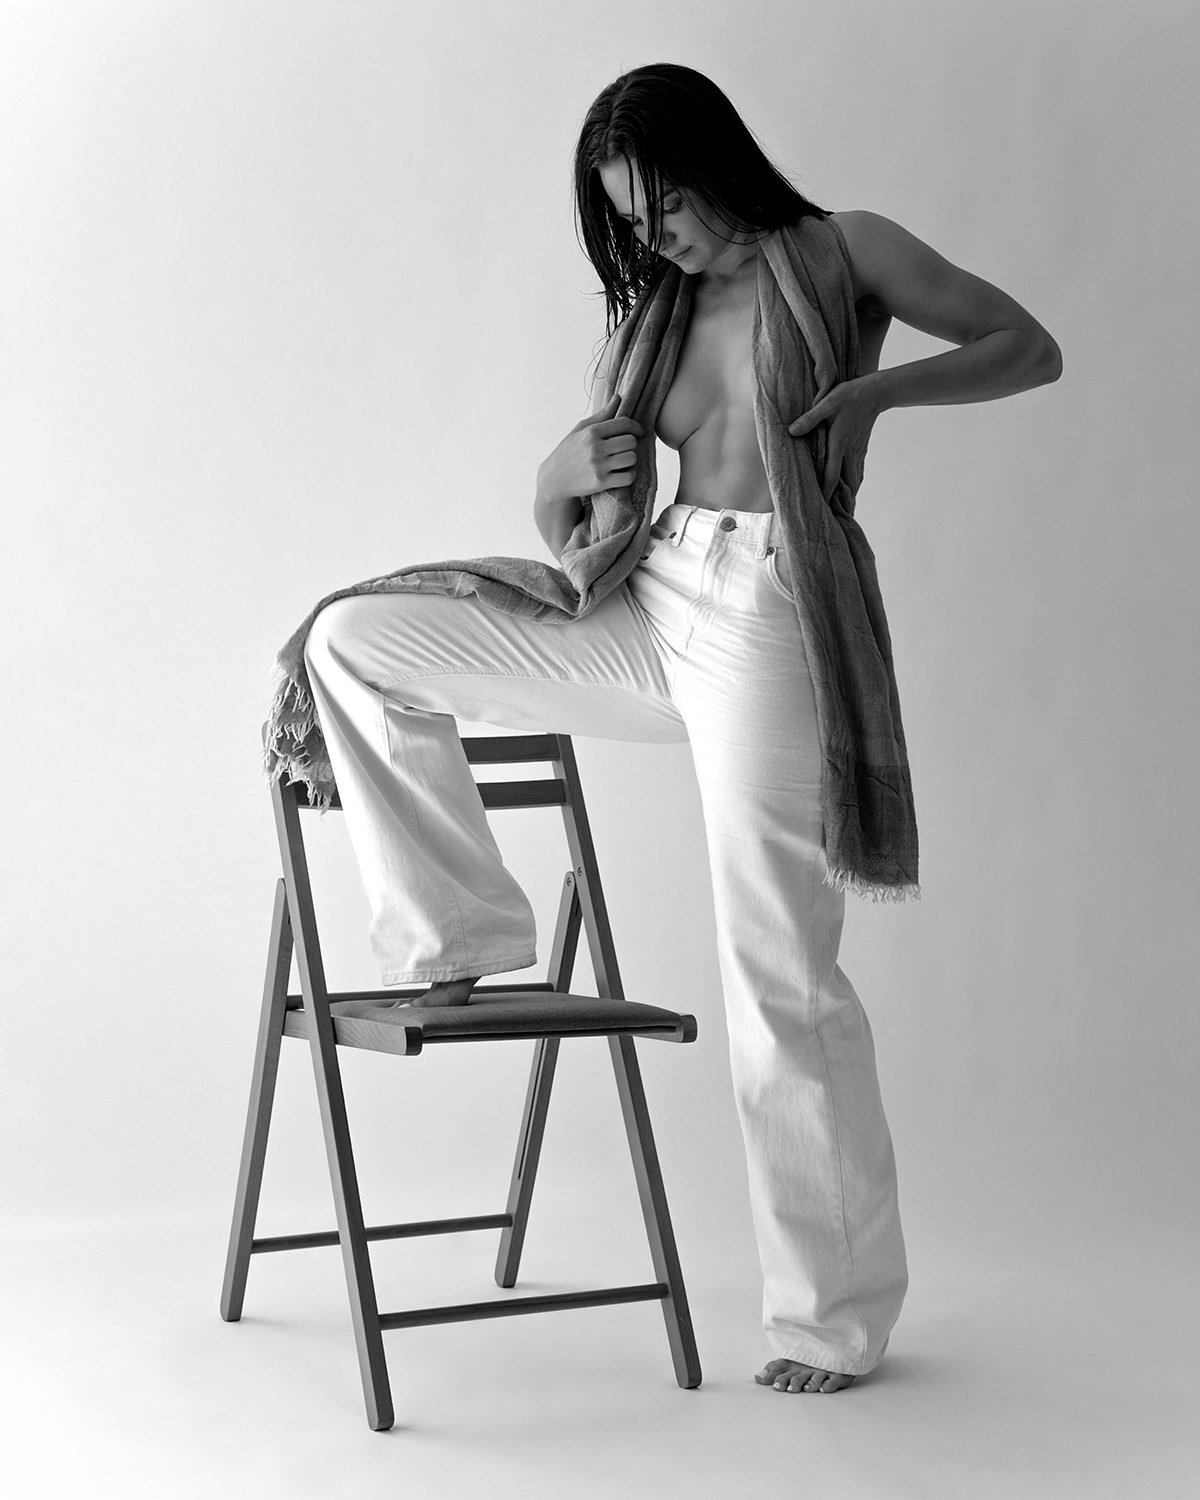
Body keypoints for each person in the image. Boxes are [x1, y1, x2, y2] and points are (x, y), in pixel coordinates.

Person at [300, 62, 1062, 1398]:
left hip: (770, 604)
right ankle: (459, 938)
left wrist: (877, 397)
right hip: (647, 593)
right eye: (631, 221)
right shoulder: (653, 314)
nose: (659, 238)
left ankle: (830, 1320)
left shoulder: (847, 251)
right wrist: (554, 480)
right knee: (354, 640)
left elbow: (1026, 346)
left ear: (717, 163)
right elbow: (582, 521)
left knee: (780, 971)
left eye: (668, 207)